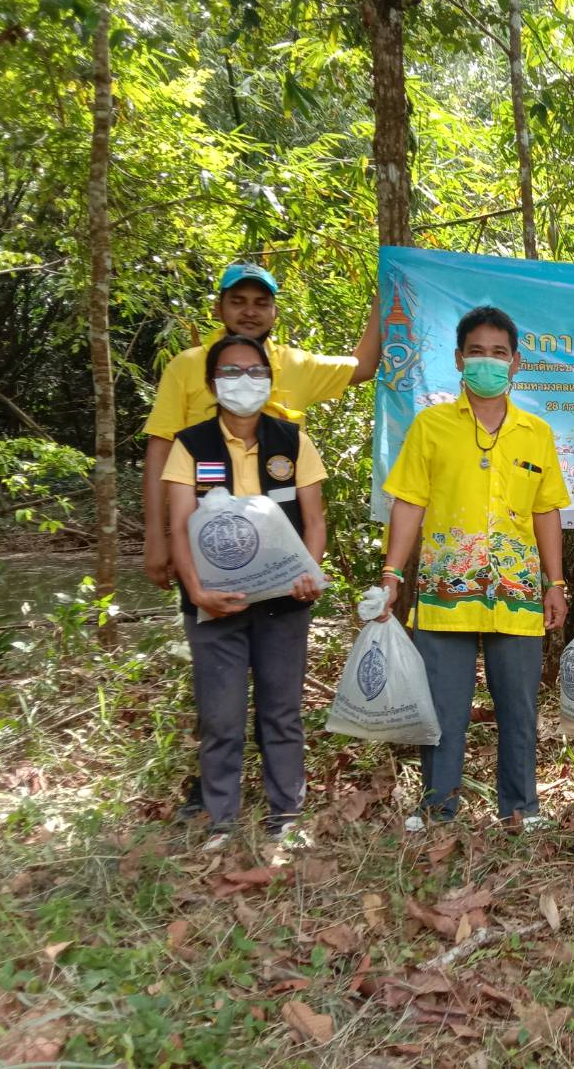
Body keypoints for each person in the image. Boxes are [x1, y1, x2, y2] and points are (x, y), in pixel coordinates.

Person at [144, 262, 378, 819]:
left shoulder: (292, 370)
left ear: (274, 312)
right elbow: (159, 449)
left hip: (278, 576)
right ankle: (214, 802)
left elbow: (364, 366)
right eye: (238, 300)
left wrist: (390, 287)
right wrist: (155, 538)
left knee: (280, 701)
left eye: (261, 302)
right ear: (219, 309)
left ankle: (283, 808)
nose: (249, 310)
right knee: (219, 697)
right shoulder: (186, 369)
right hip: (211, 566)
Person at [378, 305, 569, 831]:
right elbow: (409, 504)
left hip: (517, 594)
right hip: (446, 592)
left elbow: (546, 511)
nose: (489, 362)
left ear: (517, 364)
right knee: (442, 708)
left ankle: (521, 808)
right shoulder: (431, 425)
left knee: (518, 708)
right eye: (478, 352)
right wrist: (392, 574)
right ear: (460, 359)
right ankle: (437, 808)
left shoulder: (536, 433)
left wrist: (555, 583)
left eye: (499, 353)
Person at [163, 334, 328, 853]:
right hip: (214, 605)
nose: (244, 382)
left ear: (270, 380)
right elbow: (178, 526)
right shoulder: (190, 444)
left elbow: (316, 521)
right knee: (221, 713)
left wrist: (310, 572)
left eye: (256, 372)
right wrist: (197, 591)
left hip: (282, 603)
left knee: (282, 710)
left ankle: (287, 813)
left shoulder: (292, 441)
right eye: (231, 373)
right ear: (213, 384)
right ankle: (220, 818)